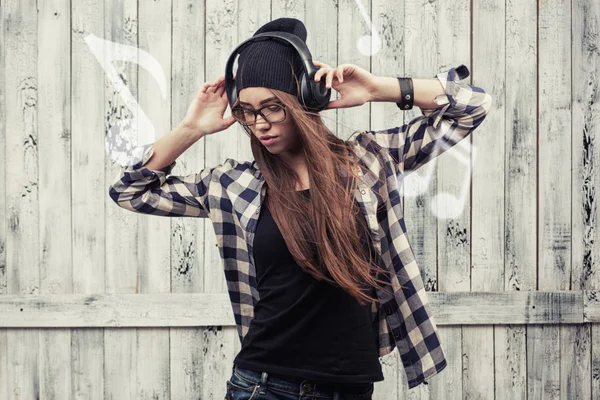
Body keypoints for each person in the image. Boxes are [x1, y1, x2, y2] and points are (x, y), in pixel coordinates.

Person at [108, 17, 492, 400]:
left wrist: (377, 89)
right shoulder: (234, 185)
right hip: (265, 386)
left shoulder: (369, 161)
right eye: (247, 111)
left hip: (351, 388)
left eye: (273, 107)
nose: (259, 124)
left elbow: (473, 105)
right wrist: (191, 128)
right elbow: (132, 192)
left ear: (304, 99)